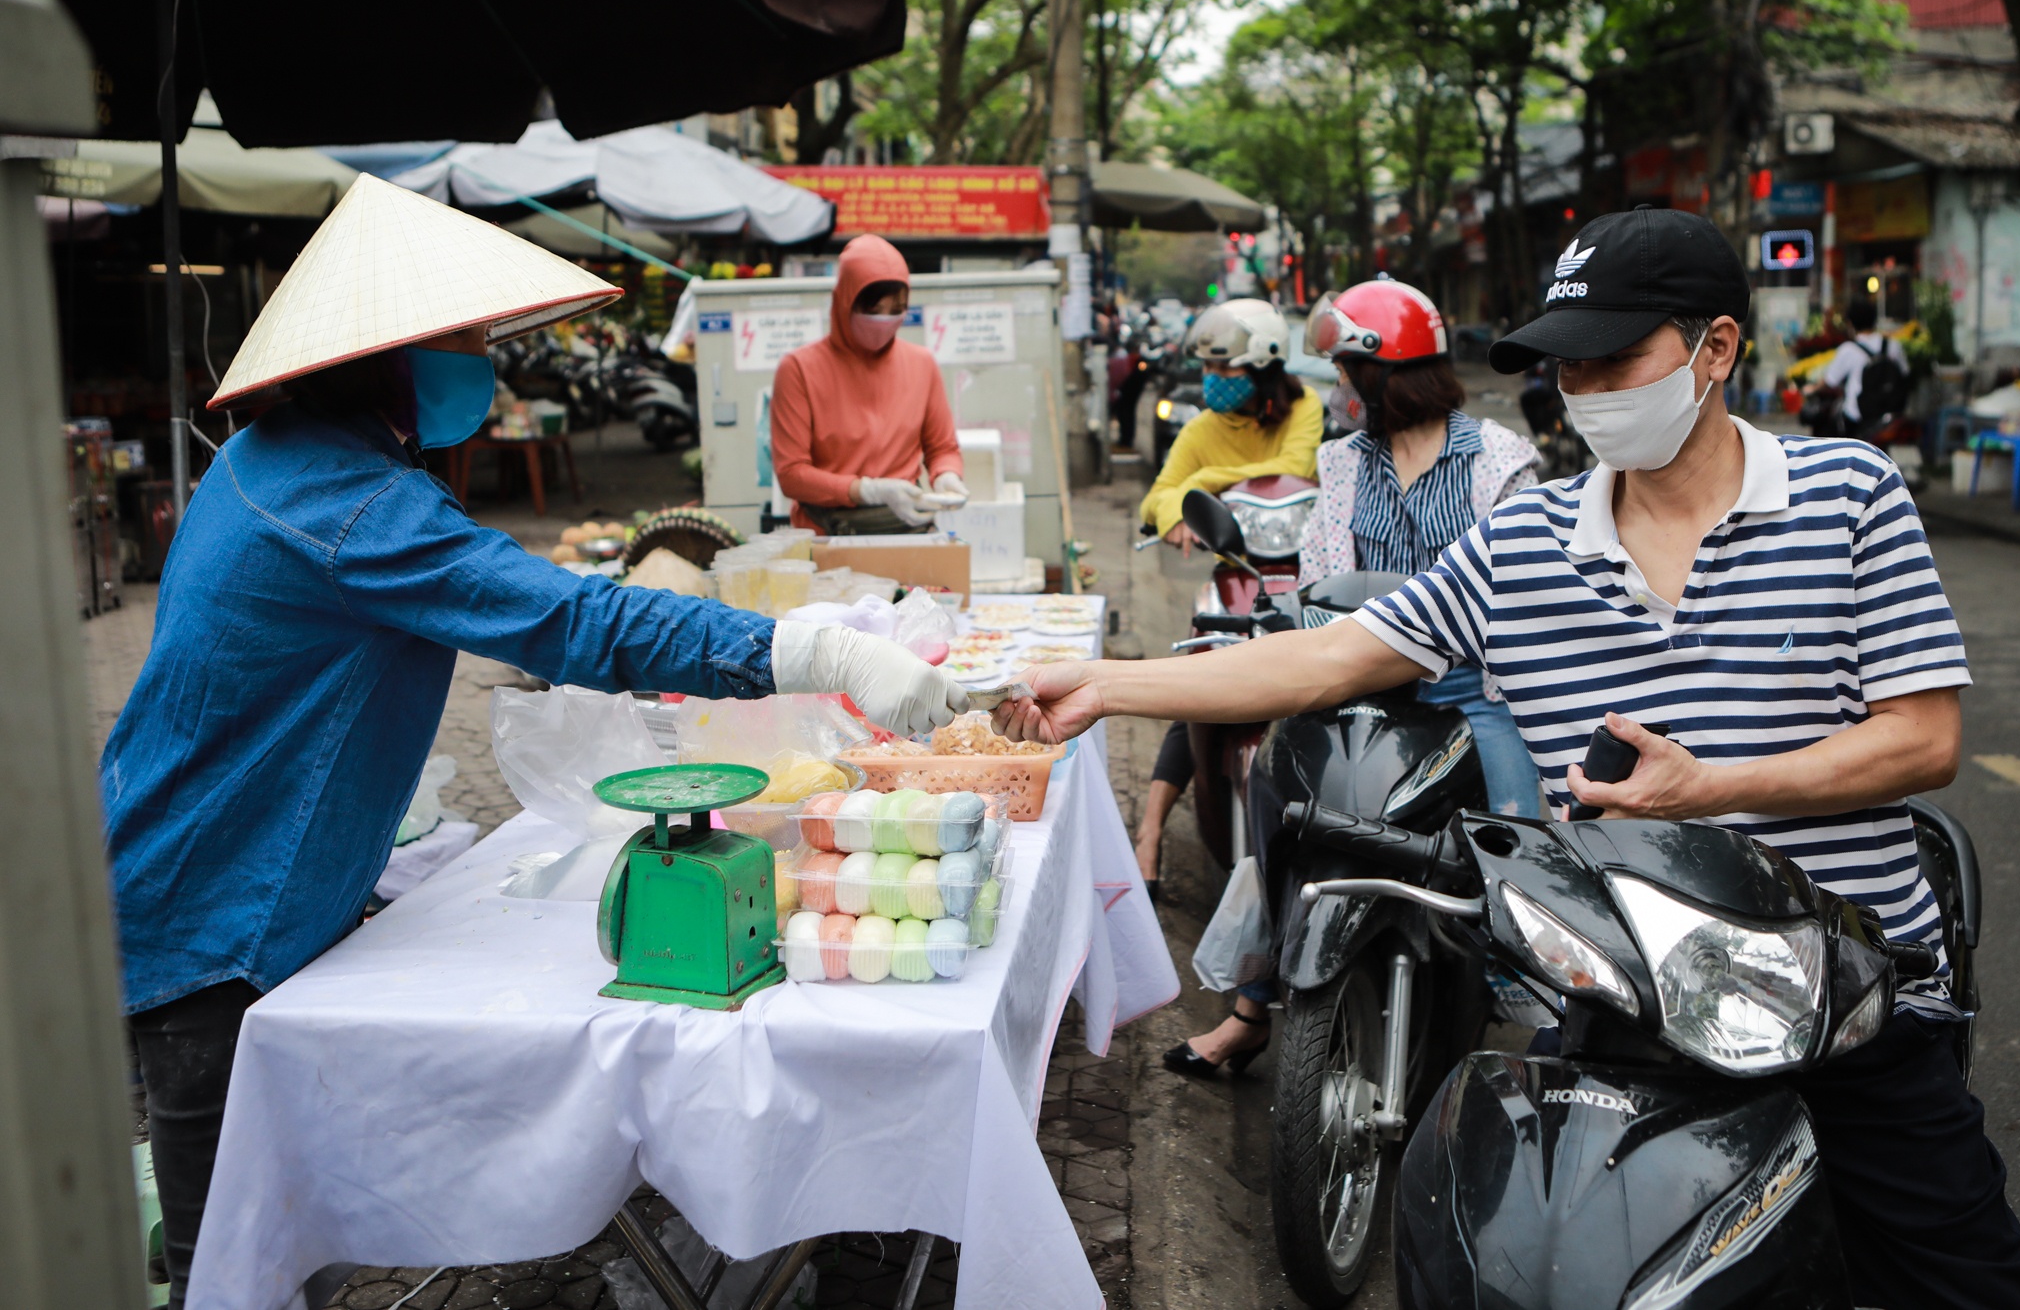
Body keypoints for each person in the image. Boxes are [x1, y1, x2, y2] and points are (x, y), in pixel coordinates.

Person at [999, 208, 2020, 1308]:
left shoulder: (1848, 497)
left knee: (1965, 1287)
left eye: (1613, 357)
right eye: (1566, 363)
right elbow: (1328, 657)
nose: (1584, 386)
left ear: (1715, 349)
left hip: (1841, 1004)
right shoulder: (1523, 538)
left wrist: (1708, 790)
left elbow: (1920, 739)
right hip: (1622, 1002)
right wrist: (1107, 685)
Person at [106, 177, 965, 1309]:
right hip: (213, 916)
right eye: (461, 341)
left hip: (230, 882)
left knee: (278, 1242)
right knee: (233, 1266)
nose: (483, 362)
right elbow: (573, 624)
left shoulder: (285, 465)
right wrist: (816, 654)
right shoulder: (345, 504)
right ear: (390, 358)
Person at [1160, 281, 1544, 1079]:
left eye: (1343, 373)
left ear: (1383, 374)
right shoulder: (1340, 465)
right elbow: (1322, 581)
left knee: (1523, 825)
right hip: (1360, 680)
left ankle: (1538, 1001)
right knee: (1284, 802)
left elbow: (1523, 597)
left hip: (1475, 691)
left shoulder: (1501, 464)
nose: (1334, 392)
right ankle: (1252, 1006)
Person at [1130, 298, 1322, 896]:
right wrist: (1178, 510)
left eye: (1228, 374)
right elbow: (1157, 498)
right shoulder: (1200, 428)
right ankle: (1150, 829)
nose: (1214, 384)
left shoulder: (1305, 409)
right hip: (1234, 579)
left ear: (1263, 369)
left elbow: (1294, 467)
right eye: (1209, 372)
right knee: (1199, 688)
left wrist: (1203, 485)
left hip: (1303, 577)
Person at [770, 235, 966, 534]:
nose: (884, 322)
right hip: (826, 538)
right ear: (844, 303)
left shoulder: (921, 364)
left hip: (907, 530)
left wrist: (946, 476)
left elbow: (942, 447)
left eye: (897, 310)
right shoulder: (799, 369)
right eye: (873, 311)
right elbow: (791, 474)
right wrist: (867, 490)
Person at [1819, 294, 1908, 435]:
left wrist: (1809, 389)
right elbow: (1905, 374)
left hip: (1857, 417)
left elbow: (1830, 381)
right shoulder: (1893, 345)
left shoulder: (1848, 349)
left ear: (1850, 323)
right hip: (1891, 415)